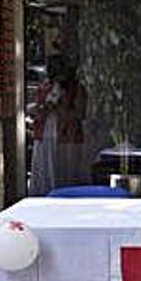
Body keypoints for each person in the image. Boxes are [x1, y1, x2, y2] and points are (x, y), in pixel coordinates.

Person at [29, 54, 87, 195]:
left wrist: (60, 104)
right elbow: (38, 112)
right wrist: (41, 108)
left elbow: (79, 115)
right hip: (45, 137)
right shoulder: (44, 88)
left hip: (68, 139)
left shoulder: (77, 89)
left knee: (66, 174)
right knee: (46, 174)